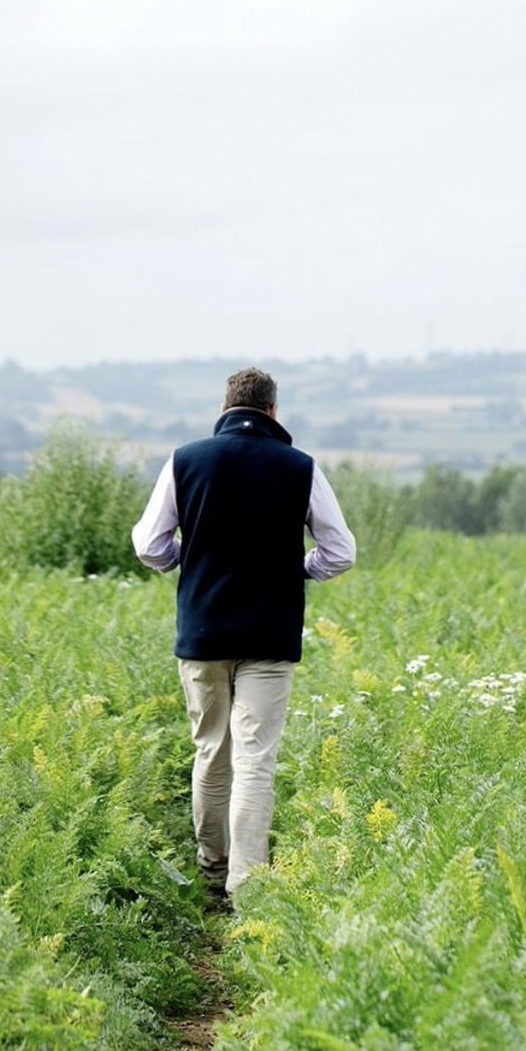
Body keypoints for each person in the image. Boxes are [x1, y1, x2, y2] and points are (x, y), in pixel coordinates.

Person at [132, 366, 355, 898]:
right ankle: (247, 888)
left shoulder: (185, 461)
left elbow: (148, 544)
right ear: (274, 411)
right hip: (270, 635)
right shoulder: (301, 467)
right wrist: (298, 567)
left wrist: (190, 556)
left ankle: (212, 869)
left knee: (212, 751)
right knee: (255, 759)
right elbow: (340, 551)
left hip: (204, 633)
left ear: (224, 407)